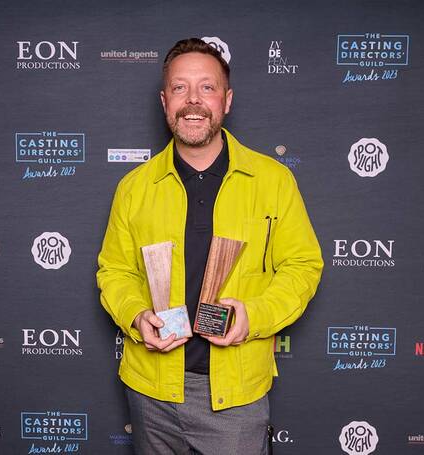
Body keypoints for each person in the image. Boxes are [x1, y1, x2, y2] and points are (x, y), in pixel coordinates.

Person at [97, 38, 323, 455]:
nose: (193, 101)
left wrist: (253, 316)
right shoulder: (134, 188)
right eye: (180, 88)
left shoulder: (273, 181)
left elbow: (302, 266)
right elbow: (114, 272)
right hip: (151, 391)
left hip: (234, 396)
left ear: (227, 100)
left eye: (207, 87)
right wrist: (136, 315)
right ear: (165, 101)